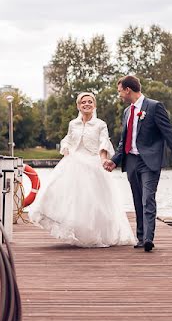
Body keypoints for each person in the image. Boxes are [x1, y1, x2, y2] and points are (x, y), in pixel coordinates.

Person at [29, 92, 136, 247]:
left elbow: (103, 143)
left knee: (92, 202)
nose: (87, 104)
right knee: (68, 197)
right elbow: (68, 139)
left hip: (93, 163)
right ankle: (73, 228)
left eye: (90, 101)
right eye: (83, 102)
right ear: (78, 105)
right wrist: (65, 147)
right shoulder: (73, 123)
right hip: (73, 162)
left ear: (94, 105)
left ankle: (92, 234)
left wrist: (103, 160)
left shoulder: (100, 124)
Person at [104, 75, 172, 252]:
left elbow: (169, 133)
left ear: (128, 90)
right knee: (137, 199)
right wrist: (114, 161)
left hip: (150, 161)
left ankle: (149, 238)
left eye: (120, 91)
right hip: (132, 161)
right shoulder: (127, 112)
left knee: (147, 198)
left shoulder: (154, 106)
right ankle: (141, 237)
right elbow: (123, 141)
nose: (119, 94)